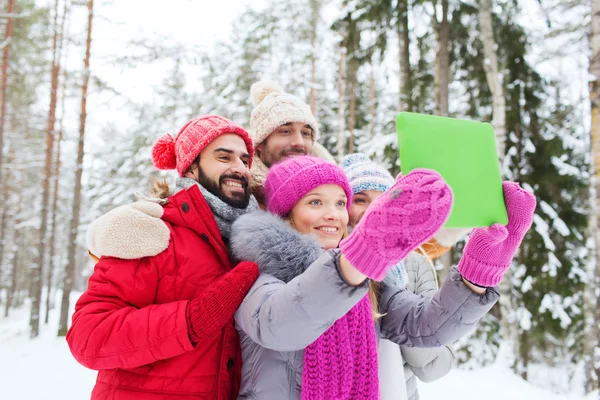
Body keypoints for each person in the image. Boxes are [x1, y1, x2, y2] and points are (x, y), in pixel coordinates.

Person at [229, 155, 536, 399]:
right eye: (315, 202)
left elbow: (427, 326)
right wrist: (360, 255)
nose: (334, 214)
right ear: (285, 212)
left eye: (339, 203)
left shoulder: (370, 282)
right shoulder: (258, 272)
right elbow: (281, 324)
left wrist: (479, 270)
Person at [66, 115, 262, 400]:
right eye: (224, 157)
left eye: (245, 160)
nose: (240, 168)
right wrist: (189, 323)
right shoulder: (152, 230)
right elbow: (88, 337)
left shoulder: (254, 238)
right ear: (191, 167)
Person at [248, 80, 467, 260]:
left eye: (306, 133)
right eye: (285, 131)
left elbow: (392, 249)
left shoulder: (328, 187)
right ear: (260, 143)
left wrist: (448, 231)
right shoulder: (246, 197)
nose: (298, 142)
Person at [342, 153, 454, 400]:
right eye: (360, 200)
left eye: (383, 200)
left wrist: (395, 297)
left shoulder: (414, 266)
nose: (372, 209)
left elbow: (435, 367)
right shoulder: (327, 265)